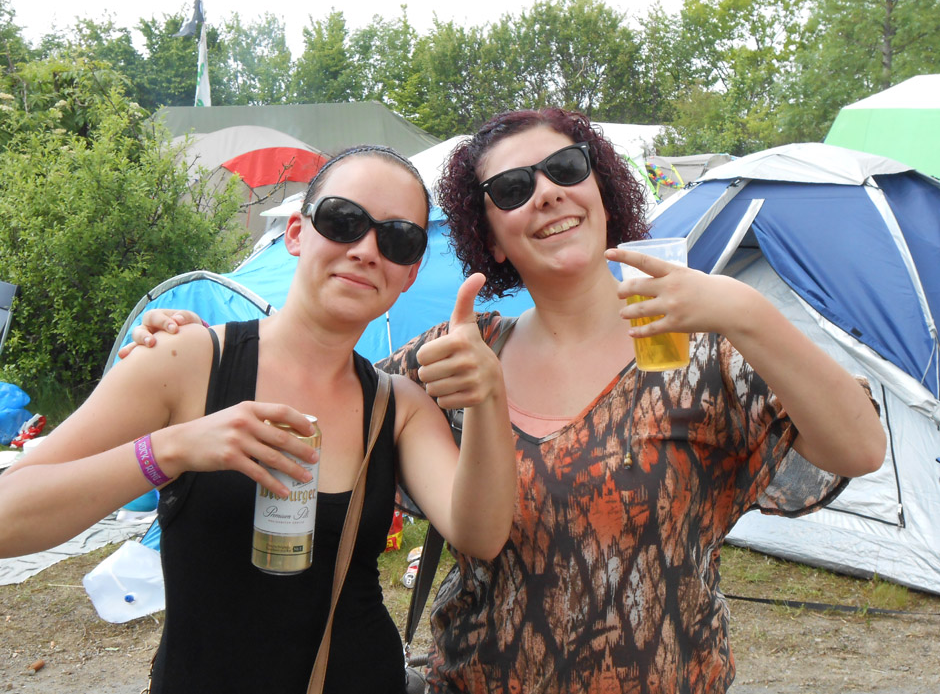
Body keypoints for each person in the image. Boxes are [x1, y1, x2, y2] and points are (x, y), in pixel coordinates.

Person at [121, 109, 886, 694]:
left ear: (601, 185)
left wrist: (746, 309)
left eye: (565, 167)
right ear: (487, 232)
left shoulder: (697, 344)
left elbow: (857, 449)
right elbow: (317, 381)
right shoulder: (461, 352)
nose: (547, 192)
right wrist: (193, 344)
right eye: (513, 188)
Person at [0, 145, 518, 694]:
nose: (367, 249)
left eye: (397, 239)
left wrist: (487, 400)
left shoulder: (398, 407)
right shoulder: (188, 360)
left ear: (410, 273)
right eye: (343, 221)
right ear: (296, 233)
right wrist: (171, 450)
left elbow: (480, 535)